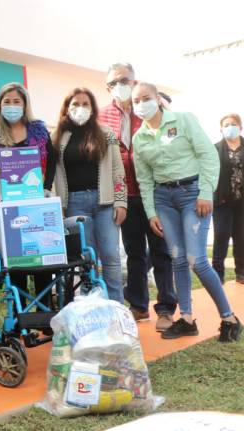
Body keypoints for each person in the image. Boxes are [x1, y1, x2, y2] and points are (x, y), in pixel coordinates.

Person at [132, 82, 242, 342]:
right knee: (178, 259)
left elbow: (208, 156)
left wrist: (206, 192)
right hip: (163, 199)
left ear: (158, 99)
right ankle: (187, 319)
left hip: (193, 194)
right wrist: (151, 212)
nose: (141, 104)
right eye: (136, 101)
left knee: (197, 260)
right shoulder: (139, 138)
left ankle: (229, 318)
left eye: (146, 98)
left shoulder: (183, 120)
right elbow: (144, 179)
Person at [98, 63, 176, 330]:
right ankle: (139, 306)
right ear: (107, 88)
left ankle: (166, 308)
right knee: (134, 253)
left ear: (134, 81)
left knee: (161, 251)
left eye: (123, 80)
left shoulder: (150, 109)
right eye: (113, 83)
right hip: (125, 195)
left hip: (155, 193)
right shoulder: (102, 116)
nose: (118, 86)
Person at [0, 82, 56, 307]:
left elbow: (53, 159)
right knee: (16, 264)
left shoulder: (39, 130)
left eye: (16, 101)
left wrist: (47, 187)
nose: (12, 105)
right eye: (6, 101)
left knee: (40, 261)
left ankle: (45, 312)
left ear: (25, 104)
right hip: (7, 208)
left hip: (36, 205)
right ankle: (20, 316)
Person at [52, 87, 127, 303]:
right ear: (67, 108)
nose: (81, 108)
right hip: (74, 204)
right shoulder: (56, 137)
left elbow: (117, 169)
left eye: (86, 104)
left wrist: (121, 202)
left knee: (110, 256)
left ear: (93, 109)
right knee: (85, 258)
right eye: (75, 104)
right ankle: (90, 307)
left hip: (105, 202)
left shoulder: (106, 133)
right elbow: (52, 173)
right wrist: (57, 206)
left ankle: (116, 306)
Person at [212, 113, 244, 284]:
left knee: (241, 237)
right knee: (221, 236)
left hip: (242, 202)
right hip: (222, 201)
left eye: (233, 124)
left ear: (240, 127)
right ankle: (217, 274)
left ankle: (242, 272)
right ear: (221, 129)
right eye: (226, 125)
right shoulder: (215, 149)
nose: (229, 127)